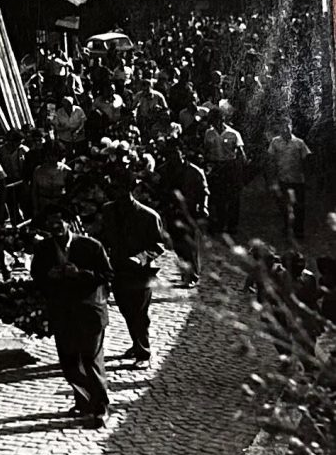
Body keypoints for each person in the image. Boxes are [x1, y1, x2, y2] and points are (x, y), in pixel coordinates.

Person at [31, 210, 114, 428]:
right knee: (69, 363)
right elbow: (36, 276)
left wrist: (80, 274)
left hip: (89, 313)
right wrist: (48, 276)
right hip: (62, 313)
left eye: (58, 222)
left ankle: (101, 408)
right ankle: (84, 400)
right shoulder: (43, 249)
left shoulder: (91, 246)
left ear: (69, 223)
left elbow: (107, 275)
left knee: (91, 360)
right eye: (50, 223)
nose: (55, 227)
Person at [99, 175, 165, 364]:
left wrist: (140, 258)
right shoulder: (108, 210)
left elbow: (158, 245)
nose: (118, 193)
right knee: (126, 310)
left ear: (131, 190)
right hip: (117, 269)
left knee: (139, 313)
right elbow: (103, 236)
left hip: (140, 274)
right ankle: (137, 344)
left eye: (122, 189)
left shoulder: (148, 216)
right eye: (115, 188)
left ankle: (144, 352)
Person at [158, 144, 209, 284]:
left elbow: (204, 191)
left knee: (189, 244)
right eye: (170, 156)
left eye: (176, 155)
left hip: (189, 212)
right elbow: (159, 190)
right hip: (171, 212)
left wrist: (203, 207)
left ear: (182, 155)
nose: (173, 159)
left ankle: (192, 275)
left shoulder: (194, 171)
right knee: (177, 245)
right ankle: (185, 272)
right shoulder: (163, 170)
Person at [267, 118, 312, 239]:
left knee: (299, 206)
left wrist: (307, 177)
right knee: (284, 205)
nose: (285, 130)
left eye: (287, 127)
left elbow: (307, 160)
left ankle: (299, 230)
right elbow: (271, 160)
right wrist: (272, 178)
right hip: (283, 178)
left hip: (298, 179)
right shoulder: (275, 142)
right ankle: (287, 227)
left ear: (291, 127)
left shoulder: (299, 143)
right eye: (283, 127)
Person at [204, 110, 246, 236]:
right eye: (213, 121)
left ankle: (232, 225)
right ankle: (220, 224)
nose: (215, 123)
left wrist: (238, 171)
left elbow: (241, 154)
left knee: (233, 197)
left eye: (217, 120)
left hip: (230, 166)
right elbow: (206, 150)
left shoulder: (233, 134)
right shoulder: (208, 133)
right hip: (215, 166)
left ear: (222, 119)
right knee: (218, 197)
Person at [30, 139, 71, 222]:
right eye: (49, 155)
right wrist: (35, 208)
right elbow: (34, 191)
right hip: (43, 206)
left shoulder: (66, 171)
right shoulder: (38, 171)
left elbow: (70, 191)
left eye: (54, 155)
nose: (51, 158)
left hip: (60, 206)